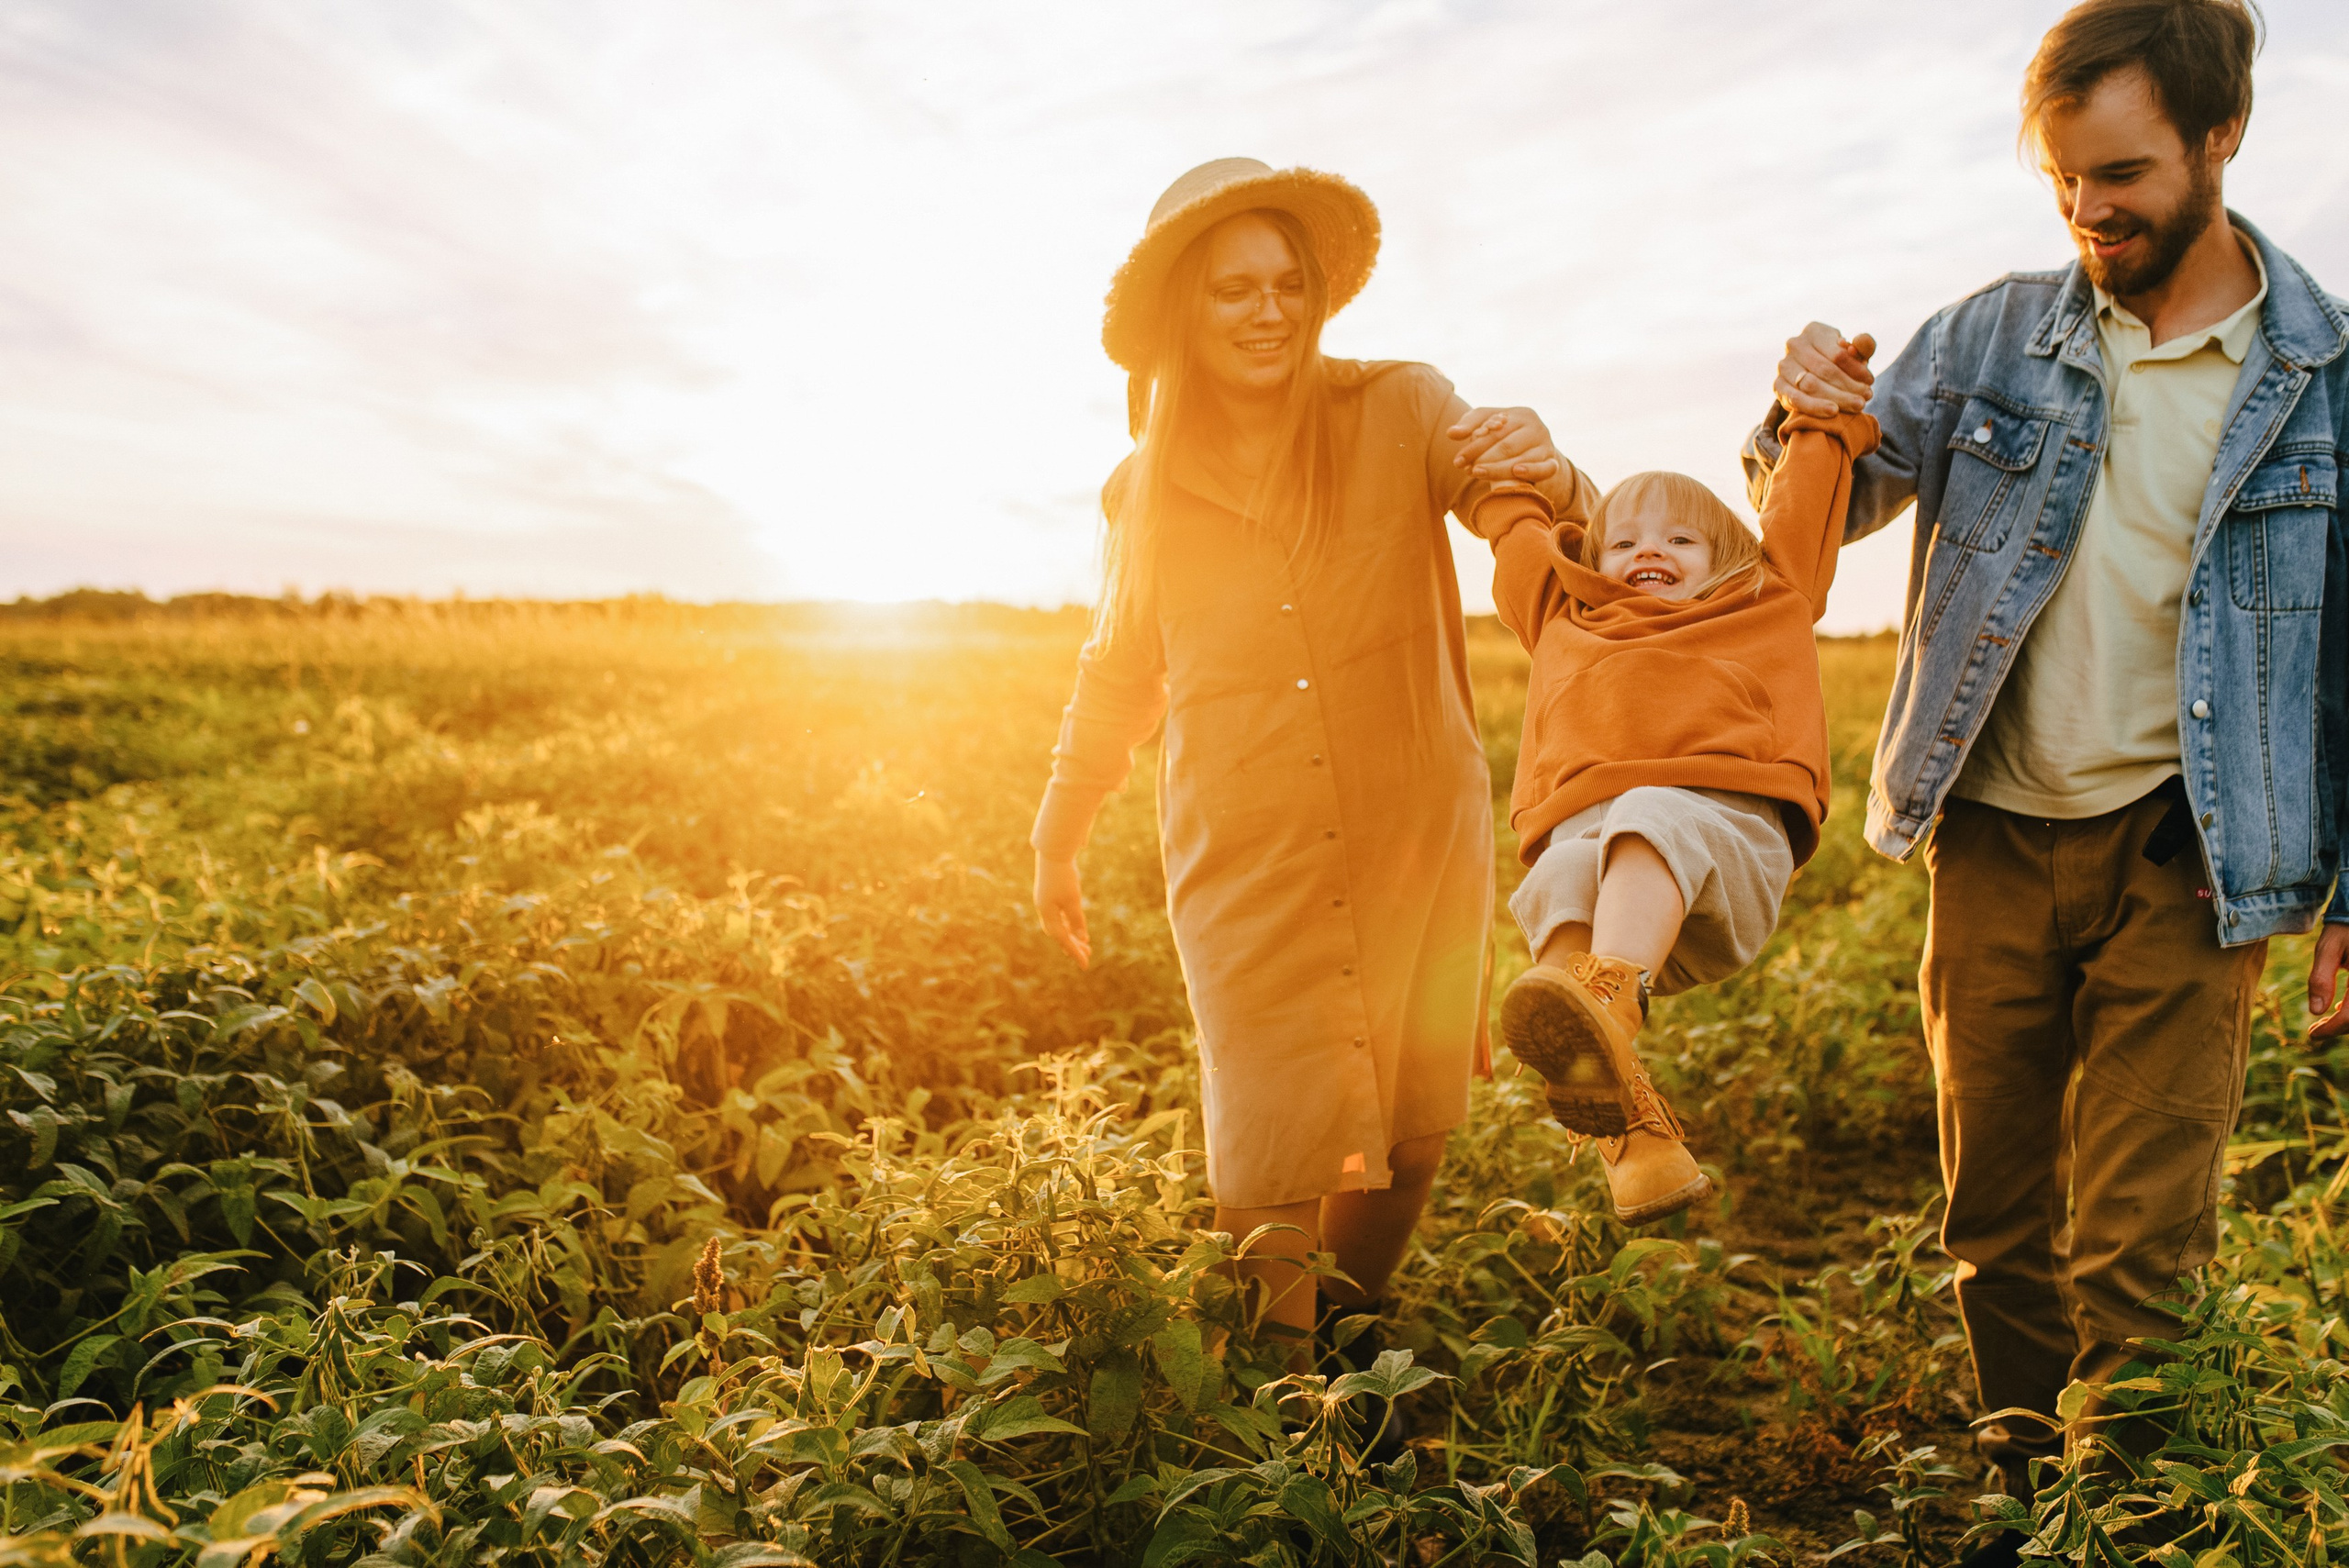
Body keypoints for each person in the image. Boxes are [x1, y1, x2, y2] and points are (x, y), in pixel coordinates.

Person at [1747, 0, 2349, 1532]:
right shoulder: (1989, 336)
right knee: (1994, 1220)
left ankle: (2135, 1520)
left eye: (2125, 174)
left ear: (2223, 140)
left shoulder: (2323, 375)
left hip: (2191, 851)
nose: (2092, 210)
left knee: (2144, 1243)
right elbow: (1833, 501)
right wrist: (1801, 406)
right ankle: (2025, 1493)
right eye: (2067, 179)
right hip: (1994, 838)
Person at [1030, 158, 1599, 1359]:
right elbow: (1119, 669)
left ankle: (1345, 1339)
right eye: (1234, 289)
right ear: (1185, 310)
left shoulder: (1401, 405)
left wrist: (1546, 476)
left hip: (1414, 837)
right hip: (1248, 856)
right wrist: (1059, 828)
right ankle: (1280, 1418)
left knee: (1410, 1127)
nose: (1268, 310)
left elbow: (1522, 495)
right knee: (1274, 1145)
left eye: (1288, 283)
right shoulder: (1144, 493)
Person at [1479, 350, 1877, 1226]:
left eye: (1678, 539)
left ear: (1729, 557)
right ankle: (1640, 1147)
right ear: (1589, 556)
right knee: (1559, 880)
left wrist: (1817, 415)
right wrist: (1501, 472)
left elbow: (1805, 496)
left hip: (1720, 843)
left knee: (1649, 815)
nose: (1646, 550)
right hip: (1602, 856)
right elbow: (1512, 531)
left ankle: (1611, 1000)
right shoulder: (1564, 611)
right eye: (1621, 540)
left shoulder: (1765, 593)